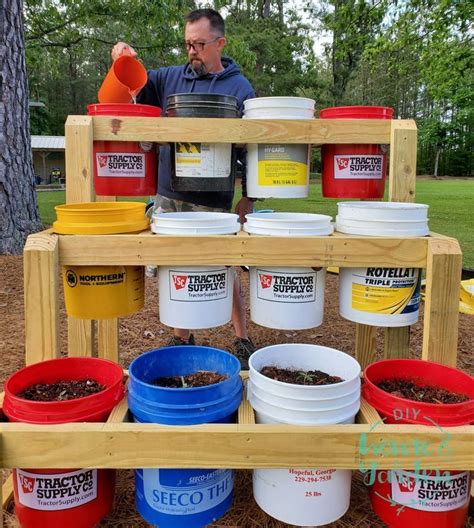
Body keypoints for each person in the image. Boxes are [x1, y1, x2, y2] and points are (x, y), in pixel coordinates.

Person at [112, 8, 257, 368]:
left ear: (220, 43)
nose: (192, 50)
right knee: (174, 264)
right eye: (188, 44)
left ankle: (241, 337)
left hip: (212, 199)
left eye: (199, 44)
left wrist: (250, 196)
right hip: (168, 193)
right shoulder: (170, 78)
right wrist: (123, 55)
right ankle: (182, 334)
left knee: (223, 266)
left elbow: (252, 147)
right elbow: (136, 85)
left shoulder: (240, 89)